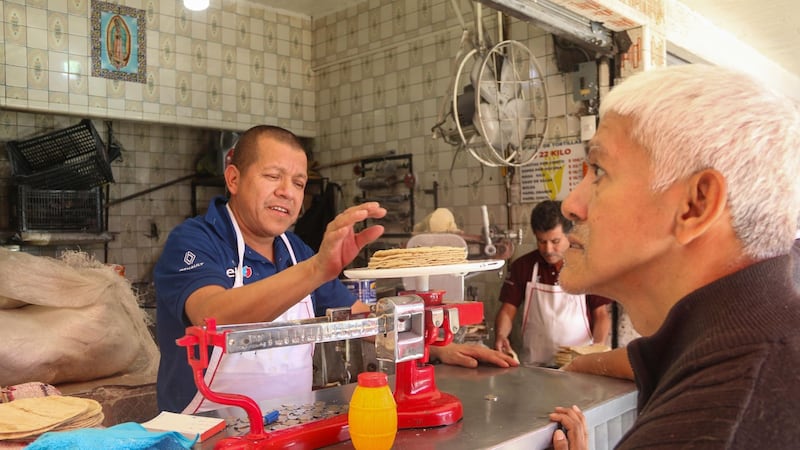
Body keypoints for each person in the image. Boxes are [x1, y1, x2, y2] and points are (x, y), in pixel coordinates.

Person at [155, 125, 515, 414]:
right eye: (272, 176)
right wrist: (316, 270)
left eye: (298, 183)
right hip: (207, 432)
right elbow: (211, 316)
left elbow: (361, 320)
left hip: (290, 423)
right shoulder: (196, 239)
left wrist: (433, 348)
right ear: (233, 179)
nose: (287, 192)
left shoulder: (295, 251)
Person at [548, 64, 800, 449]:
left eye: (598, 170)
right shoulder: (765, 334)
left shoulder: (715, 425)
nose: (571, 205)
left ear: (695, 205)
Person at [494, 200, 613, 367]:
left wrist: (597, 348)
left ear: (569, 236)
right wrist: (501, 335)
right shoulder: (523, 266)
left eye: (555, 241)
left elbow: (601, 315)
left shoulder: (586, 266)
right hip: (535, 368)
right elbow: (508, 310)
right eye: (542, 241)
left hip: (578, 366)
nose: (548, 250)